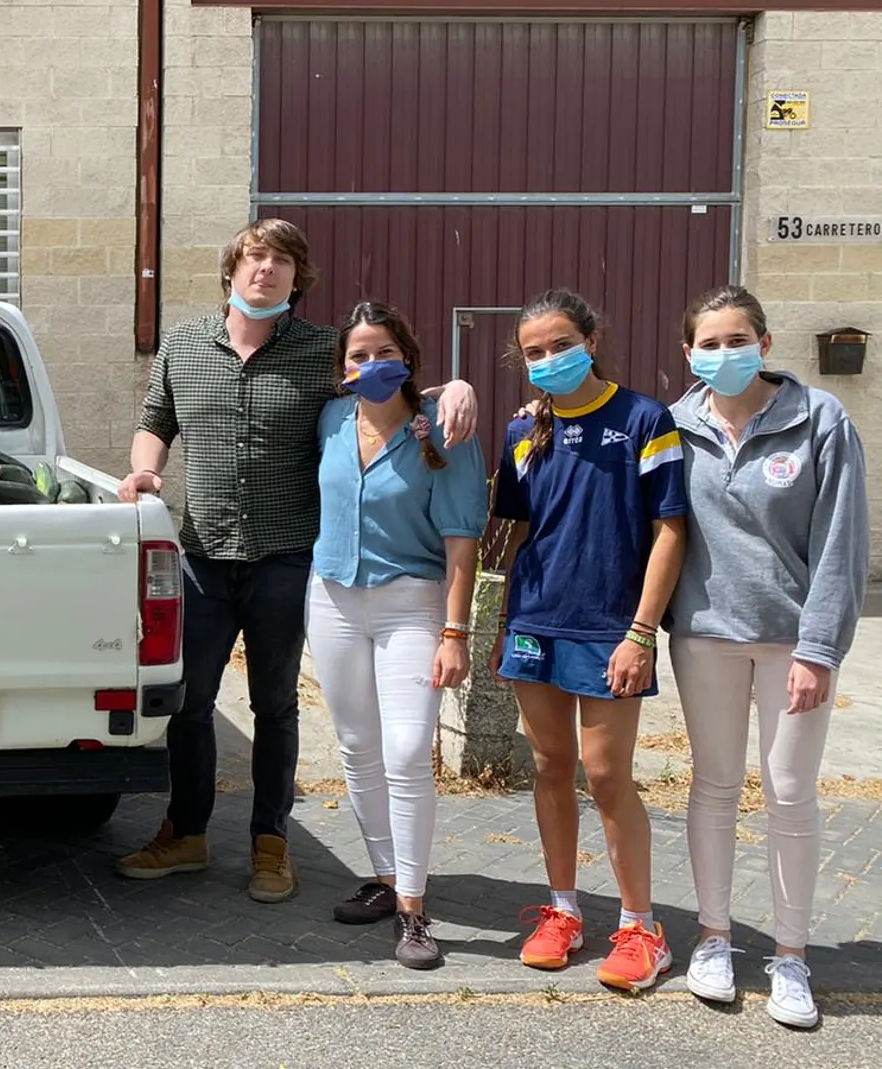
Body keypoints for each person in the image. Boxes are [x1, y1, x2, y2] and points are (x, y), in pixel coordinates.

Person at [113, 219, 478, 902]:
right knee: (190, 700)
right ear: (232, 269)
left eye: (283, 261)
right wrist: (144, 471)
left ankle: (271, 842)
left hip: (287, 559)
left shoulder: (322, 352)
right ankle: (186, 832)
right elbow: (155, 420)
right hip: (204, 554)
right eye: (256, 257)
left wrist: (454, 389)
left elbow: (387, 395)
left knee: (275, 703)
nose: (267, 270)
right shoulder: (183, 346)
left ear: (297, 277)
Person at [666, 285, 867, 1028]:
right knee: (714, 785)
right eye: (709, 343)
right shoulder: (675, 423)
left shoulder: (821, 420)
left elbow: (842, 546)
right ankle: (713, 938)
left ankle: (790, 955)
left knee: (789, 792)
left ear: (765, 341)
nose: (725, 353)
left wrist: (819, 648)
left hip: (792, 642)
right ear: (687, 354)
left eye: (737, 338)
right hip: (706, 636)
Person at [489, 288, 688, 993]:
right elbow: (516, 532)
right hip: (537, 622)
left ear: (591, 340)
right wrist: (503, 624)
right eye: (535, 352)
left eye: (560, 345)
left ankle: (641, 927)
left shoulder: (643, 419)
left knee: (606, 776)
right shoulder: (521, 432)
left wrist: (641, 631)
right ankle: (564, 910)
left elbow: (671, 530)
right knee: (549, 765)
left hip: (610, 627)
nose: (548, 359)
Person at [307, 302, 488, 969]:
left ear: (408, 357)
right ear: (343, 369)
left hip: (411, 604)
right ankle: (385, 878)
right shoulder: (330, 420)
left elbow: (463, 536)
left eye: (384, 352)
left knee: (409, 749)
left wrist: (454, 631)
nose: (371, 365)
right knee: (357, 743)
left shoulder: (442, 428)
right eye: (358, 355)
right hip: (331, 599)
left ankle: (413, 908)